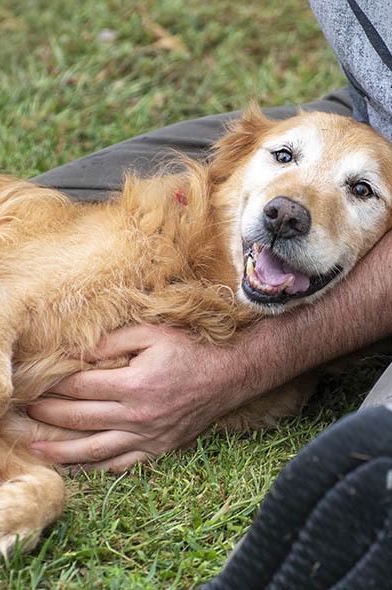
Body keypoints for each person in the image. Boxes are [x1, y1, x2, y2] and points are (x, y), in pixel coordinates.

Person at [26, 0, 392, 586]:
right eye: (281, 159)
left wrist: (239, 366)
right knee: (25, 233)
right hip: (365, 110)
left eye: (360, 193)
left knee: (370, 480)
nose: (289, 212)